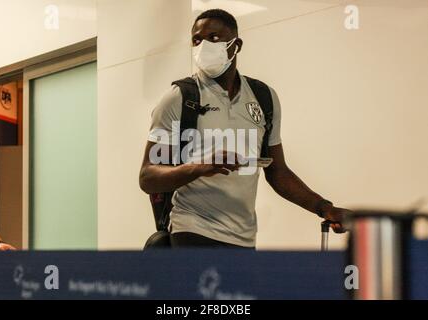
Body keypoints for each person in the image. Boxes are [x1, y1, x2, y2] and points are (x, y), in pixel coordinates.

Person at [140, 9, 350, 249]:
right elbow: (148, 176)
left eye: (214, 38)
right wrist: (201, 167)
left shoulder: (263, 98)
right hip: (192, 229)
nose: (204, 46)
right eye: (197, 40)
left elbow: (278, 171)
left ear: (236, 45)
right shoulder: (180, 98)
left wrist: (324, 208)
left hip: (244, 238)